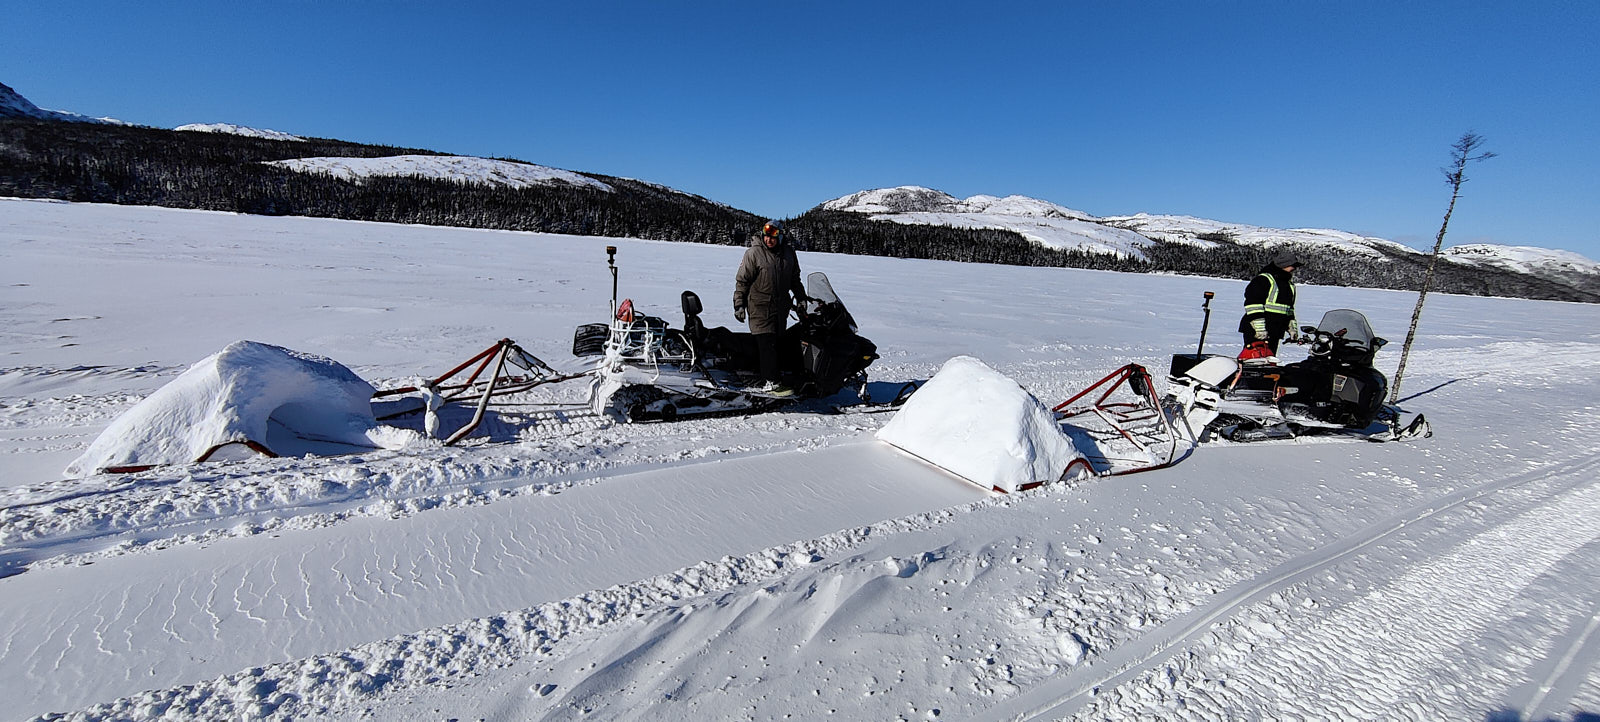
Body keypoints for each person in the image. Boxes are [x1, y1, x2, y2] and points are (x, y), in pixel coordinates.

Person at [734, 220, 807, 396]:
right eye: (766, 236)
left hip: (780, 309)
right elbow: (742, 281)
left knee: (780, 343)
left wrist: (801, 299)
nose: (769, 240)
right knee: (767, 342)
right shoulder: (754, 253)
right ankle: (771, 382)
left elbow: (795, 280)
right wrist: (739, 304)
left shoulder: (789, 254)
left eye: (773, 237)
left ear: (780, 236)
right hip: (759, 307)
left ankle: (783, 376)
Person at [1238, 248, 1304, 358]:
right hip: (1257, 330)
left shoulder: (1288, 284)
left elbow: (1288, 309)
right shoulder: (1264, 279)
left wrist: (1291, 327)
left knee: (1269, 360)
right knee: (1254, 360)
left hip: (1275, 330)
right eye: (1293, 265)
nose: (1294, 269)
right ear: (1284, 265)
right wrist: (1259, 328)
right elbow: (1253, 304)